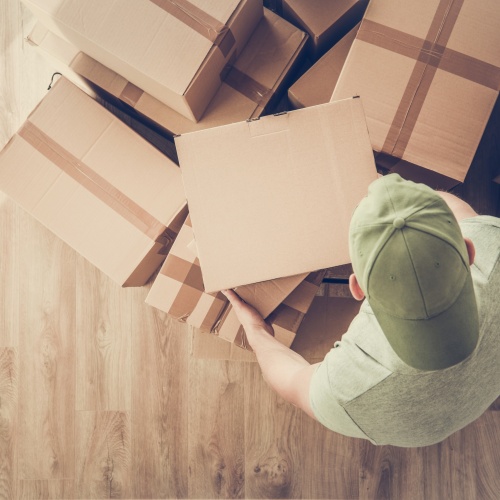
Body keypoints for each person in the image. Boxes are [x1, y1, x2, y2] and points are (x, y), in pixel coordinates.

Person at [222, 174, 500, 447]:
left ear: (357, 288)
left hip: (419, 429)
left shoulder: (350, 389)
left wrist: (256, 330)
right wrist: (410, 207)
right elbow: (452, 207)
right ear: (468, 250)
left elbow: (292, 381)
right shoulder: (493, 241)